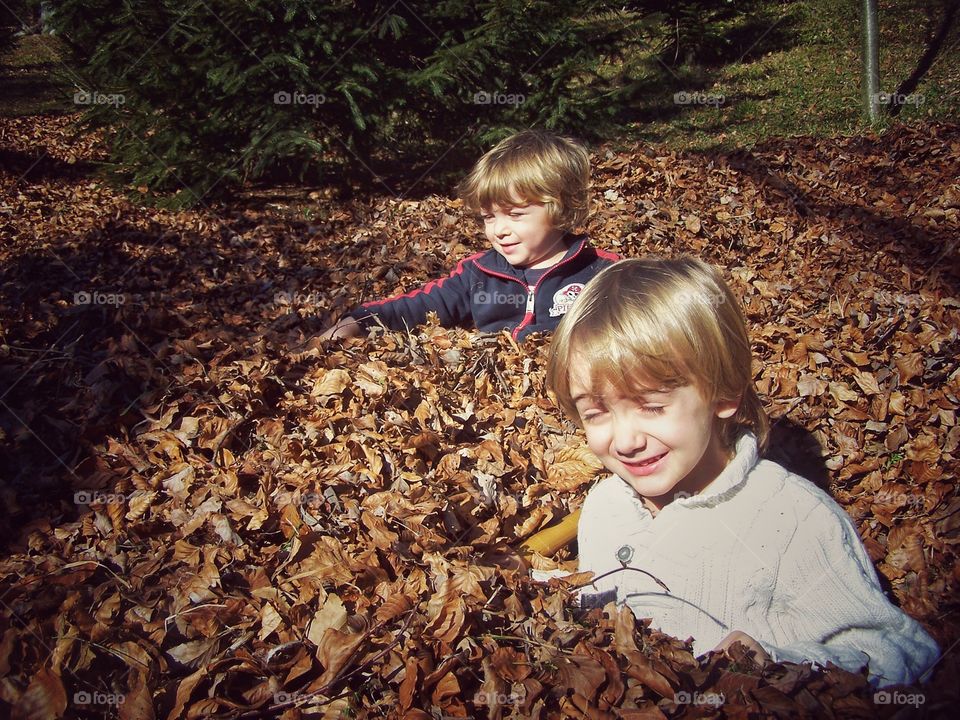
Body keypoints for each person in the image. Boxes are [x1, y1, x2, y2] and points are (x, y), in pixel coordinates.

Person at [545, 257, 940, 687]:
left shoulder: (792, 519)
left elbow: (899, 652)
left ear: (724, 392)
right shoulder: (605, 505)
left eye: (652, 407)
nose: (624, 441)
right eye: (596, 412)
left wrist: (776, 661)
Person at [320, 130, 619, 343]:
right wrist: (358, 322)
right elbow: (419, 305)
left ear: (561, 207)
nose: (498, 230)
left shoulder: (602, 272)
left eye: (515, 215)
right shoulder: (478, 274)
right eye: (489, 217)